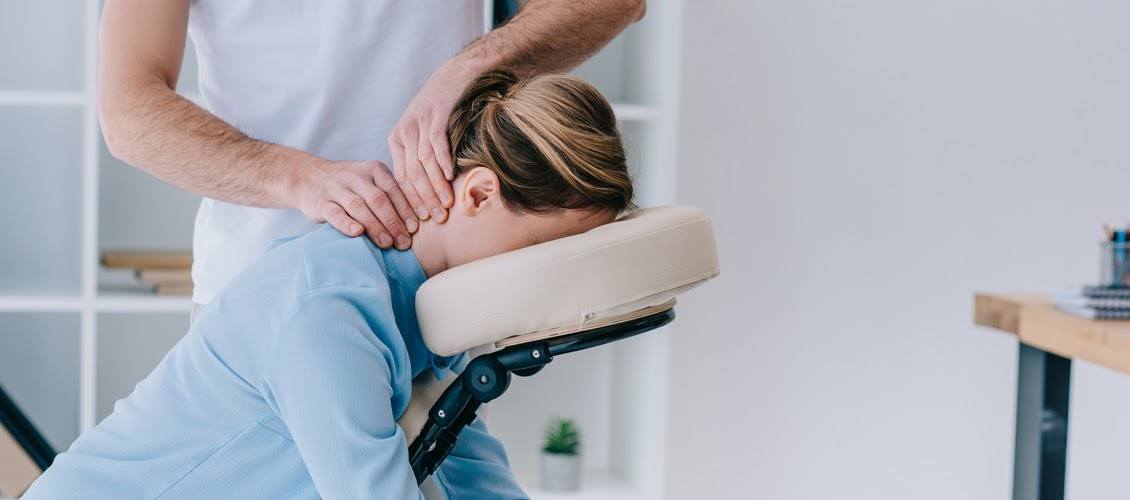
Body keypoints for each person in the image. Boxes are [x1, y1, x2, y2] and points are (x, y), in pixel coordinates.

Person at [23, 70, 634, 499]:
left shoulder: (423, 318)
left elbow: (478, 480)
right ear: (477, 194)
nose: (544, 283)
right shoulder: (329, 308)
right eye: (541, 252)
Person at [97, 0, 645, 315]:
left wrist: (473, 64)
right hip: (261, 297)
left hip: (437, 305)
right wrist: (297, 178)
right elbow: (127, 110)